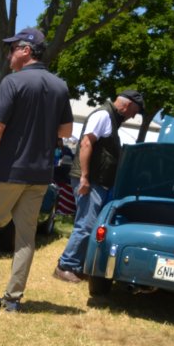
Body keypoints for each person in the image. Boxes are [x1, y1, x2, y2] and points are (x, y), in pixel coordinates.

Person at [0, 27, 74, 312]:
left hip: (9, 171)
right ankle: (13, 299)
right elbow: (66, 130)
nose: (9, 55)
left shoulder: (12, 82)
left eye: (13, 49)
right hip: (40, 175)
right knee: (26, 237)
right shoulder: (60, 86)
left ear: (26, 50)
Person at [52, 90, 143, 283]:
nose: (132, 116)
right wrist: (85, 178)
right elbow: (86, 143)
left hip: (96, 180)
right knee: (85, 225)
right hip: (90, 180)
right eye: (134, 112)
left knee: (90, 225)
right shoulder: (103, 115)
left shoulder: (111, 118)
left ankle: (77, 266)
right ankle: (65, 266)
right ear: (127, 106)